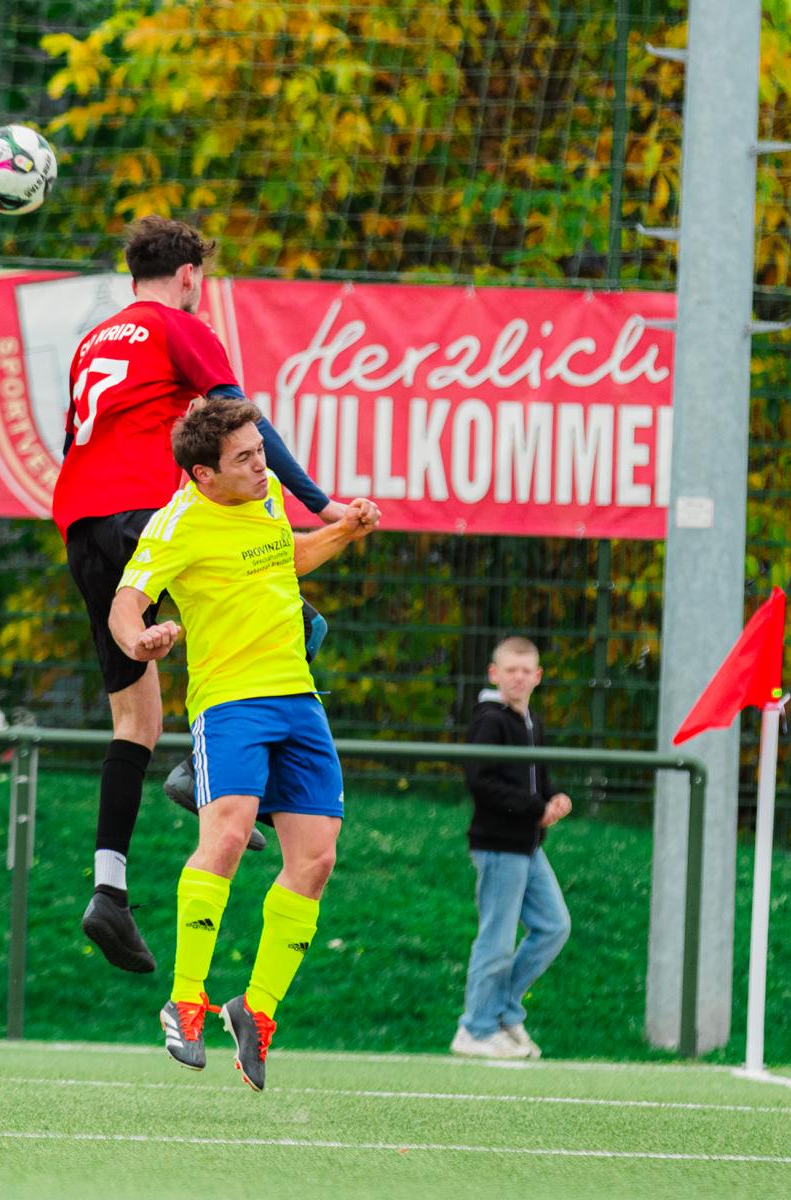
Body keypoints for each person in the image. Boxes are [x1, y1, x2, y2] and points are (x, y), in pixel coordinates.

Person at [52, 216, 379, 975]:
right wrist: (321, 504)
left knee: (135, 718)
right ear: (189, 275)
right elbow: (241, 422)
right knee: (293, 615)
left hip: (81, 524)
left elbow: (74, 441)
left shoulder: (92, 342)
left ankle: (109, 888)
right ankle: (203, 773)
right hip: (146, 512)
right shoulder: (177, 325)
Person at [108, 401, 379, 1091]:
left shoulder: (266, 496)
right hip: (230, 704)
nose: (263, 465)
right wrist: (140, 639)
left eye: (261, 450)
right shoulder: (176, 523)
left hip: (299, 701)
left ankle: (255, 1011)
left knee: (316, 860)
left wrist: (343, 530)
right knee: (227, 836)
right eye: (245, 458)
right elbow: (125, 602)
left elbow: (287, 558)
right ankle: (185, 999)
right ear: (203, 473)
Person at [451, 636, 573, 1060]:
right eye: (510, 670)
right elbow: (480, 780)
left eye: (526, 671)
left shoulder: (531, 720)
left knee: (554, 926)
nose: (518, 678)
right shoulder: (490, 720)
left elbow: (539, 777)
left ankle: (502, 1010)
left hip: (529, 846)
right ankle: (476, 1028)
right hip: (499, 845)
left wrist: (554, 798)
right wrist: (536, 808)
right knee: (497, 939)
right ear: (494, 674)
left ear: (537, 676)